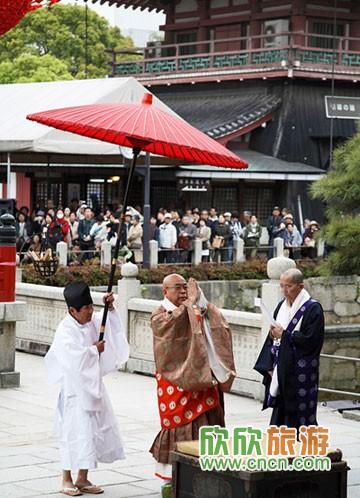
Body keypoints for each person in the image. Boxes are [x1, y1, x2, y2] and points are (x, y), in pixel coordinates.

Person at [150, 274, 236, 496]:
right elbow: (172, 328)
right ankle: (172, 484)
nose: (182, 292)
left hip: (203, 380)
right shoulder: (160, 315)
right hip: (176, 383)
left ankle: (208, 477)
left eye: (184, 288)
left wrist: (204, 307)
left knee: (207, 423)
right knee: (179, 428)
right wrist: (190, 305)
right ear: (164, 291)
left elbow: (217, 325)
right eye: (177, 288)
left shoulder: (192, 307)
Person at [45, 282, 129, 497]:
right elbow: (72, 359)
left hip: (93, 388)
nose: (90, 312)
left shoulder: (90, 318)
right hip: (74, 391)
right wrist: (93, 350)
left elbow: (107, 326)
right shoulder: (66, 329)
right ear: (72, 311)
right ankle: (66, 478)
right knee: (73, 432)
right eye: (86, 309)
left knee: (92, 432)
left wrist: (108, 308)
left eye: (91, 307)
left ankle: (83, 477)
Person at [254, 268, 324, 430]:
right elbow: (273, 339)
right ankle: (280, 443)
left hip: (301, 371)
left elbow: (311, 341)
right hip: (281, 368)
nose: (284, 291)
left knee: (301, 413)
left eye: (289, 286)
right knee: (281, 410)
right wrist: (270, 364)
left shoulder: (313, 309)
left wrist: (284, 335)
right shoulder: (281, 306)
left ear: (300, 286)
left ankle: (305, 446)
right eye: (282, 286)